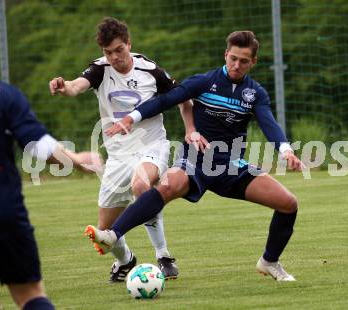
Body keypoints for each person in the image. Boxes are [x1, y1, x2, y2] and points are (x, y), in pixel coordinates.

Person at [86, 30, 304, 282]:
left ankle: (269, 261)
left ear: (253, 62)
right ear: (225, 55)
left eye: (243, 61)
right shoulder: (204, 82)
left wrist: (286, 150)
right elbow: (164, 101)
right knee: (171, 186)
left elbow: (269, 124)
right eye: (232, 58)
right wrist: (130, 118)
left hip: (230, 165)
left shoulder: (255, 93)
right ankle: (113, 235)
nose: (236, 65)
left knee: (288, 203)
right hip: (196, 160)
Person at [49, 17, 206, 281]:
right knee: (104, 232)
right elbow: (76, 86)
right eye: (108, 52)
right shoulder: (100, 70)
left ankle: (164, 256)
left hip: (151, 145)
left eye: (119, 50)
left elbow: (184, 100)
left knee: (141, 185)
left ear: (129, 44)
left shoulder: (150, 70)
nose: (114, 57)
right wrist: (64, 87)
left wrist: (190, 129)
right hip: (117, 155)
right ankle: (126, 262)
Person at [0, 7, 103, 310]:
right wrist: (78, 159)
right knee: (30, 296)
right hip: (3, 212)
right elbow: (40, 149)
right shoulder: (4, 95)